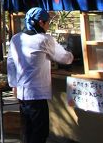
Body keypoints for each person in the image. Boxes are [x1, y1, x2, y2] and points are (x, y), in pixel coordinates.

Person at [7, 7, 74, 143]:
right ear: (41, 23)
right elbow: (65, 58)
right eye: (48, 22)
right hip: (37, 94)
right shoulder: (44, 39)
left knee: (27, 130)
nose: (49, 25)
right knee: (39, 132)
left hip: (22, 93)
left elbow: (10, 63)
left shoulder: (16, 39)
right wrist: (72, 53)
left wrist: (13, 84)